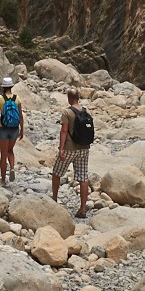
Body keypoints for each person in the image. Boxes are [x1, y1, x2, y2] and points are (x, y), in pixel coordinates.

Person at [51, 87, 94, 218]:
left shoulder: (66, 112)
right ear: (78, 98)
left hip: (70, 147)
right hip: (84, 148)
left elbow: (64, 131)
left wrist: (61, 148)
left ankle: (54, 198)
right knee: (83, 177)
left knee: (56, 173)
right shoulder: (86, 111)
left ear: (69, 98)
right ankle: (82, 208)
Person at [0, 75, 25, 186]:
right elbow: (20, 115)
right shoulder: (17, 98)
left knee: (3, 154)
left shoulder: (0, 99)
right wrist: (22, 130)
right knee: (10, 150)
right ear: (11, 86)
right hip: (14, 129)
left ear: (3, 87)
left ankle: (3, 179)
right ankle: (12, 168)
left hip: (3, 129)